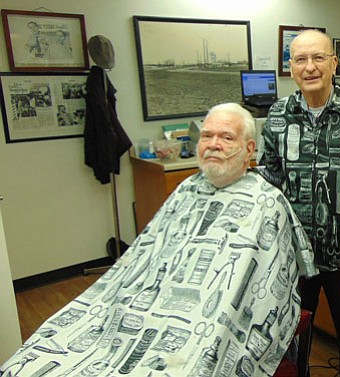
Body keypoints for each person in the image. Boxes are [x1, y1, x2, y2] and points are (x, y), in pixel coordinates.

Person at [0, 103, 317, 377]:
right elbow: (144, 256)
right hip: (149, 306)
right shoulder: (187, 189)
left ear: (249, 149)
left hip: (211, 321)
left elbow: (262, 292)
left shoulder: (266, 203)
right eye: (207, 135)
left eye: (226, 137)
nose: (213, 144)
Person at [258, 29, 340, 376]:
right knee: (290, 345)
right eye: (301, 59)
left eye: (318, 58)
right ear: (290, 67)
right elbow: (271, 187)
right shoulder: (278, 116)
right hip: (294, 260)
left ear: (334, 63)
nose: (310, 67)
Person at [84, 35, 132, 185]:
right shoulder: (96, 83)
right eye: (104, 51)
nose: (108, 54)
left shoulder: (101, 82)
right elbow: (103, 121)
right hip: (104, 141)